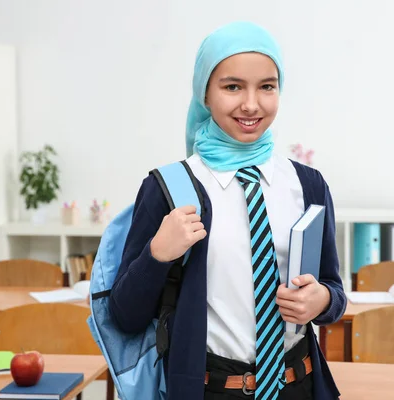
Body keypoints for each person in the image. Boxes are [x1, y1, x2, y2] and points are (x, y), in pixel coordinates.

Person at [109, 21, 347, 400]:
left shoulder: (308, 184)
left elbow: (333, 289)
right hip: (212, 392)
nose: (251, 104)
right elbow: (124, 316)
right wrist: (157, 255)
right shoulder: (170, 189)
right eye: (232, 86)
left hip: (298, 386)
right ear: (204, 94)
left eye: (267, 86)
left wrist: (322, 301)